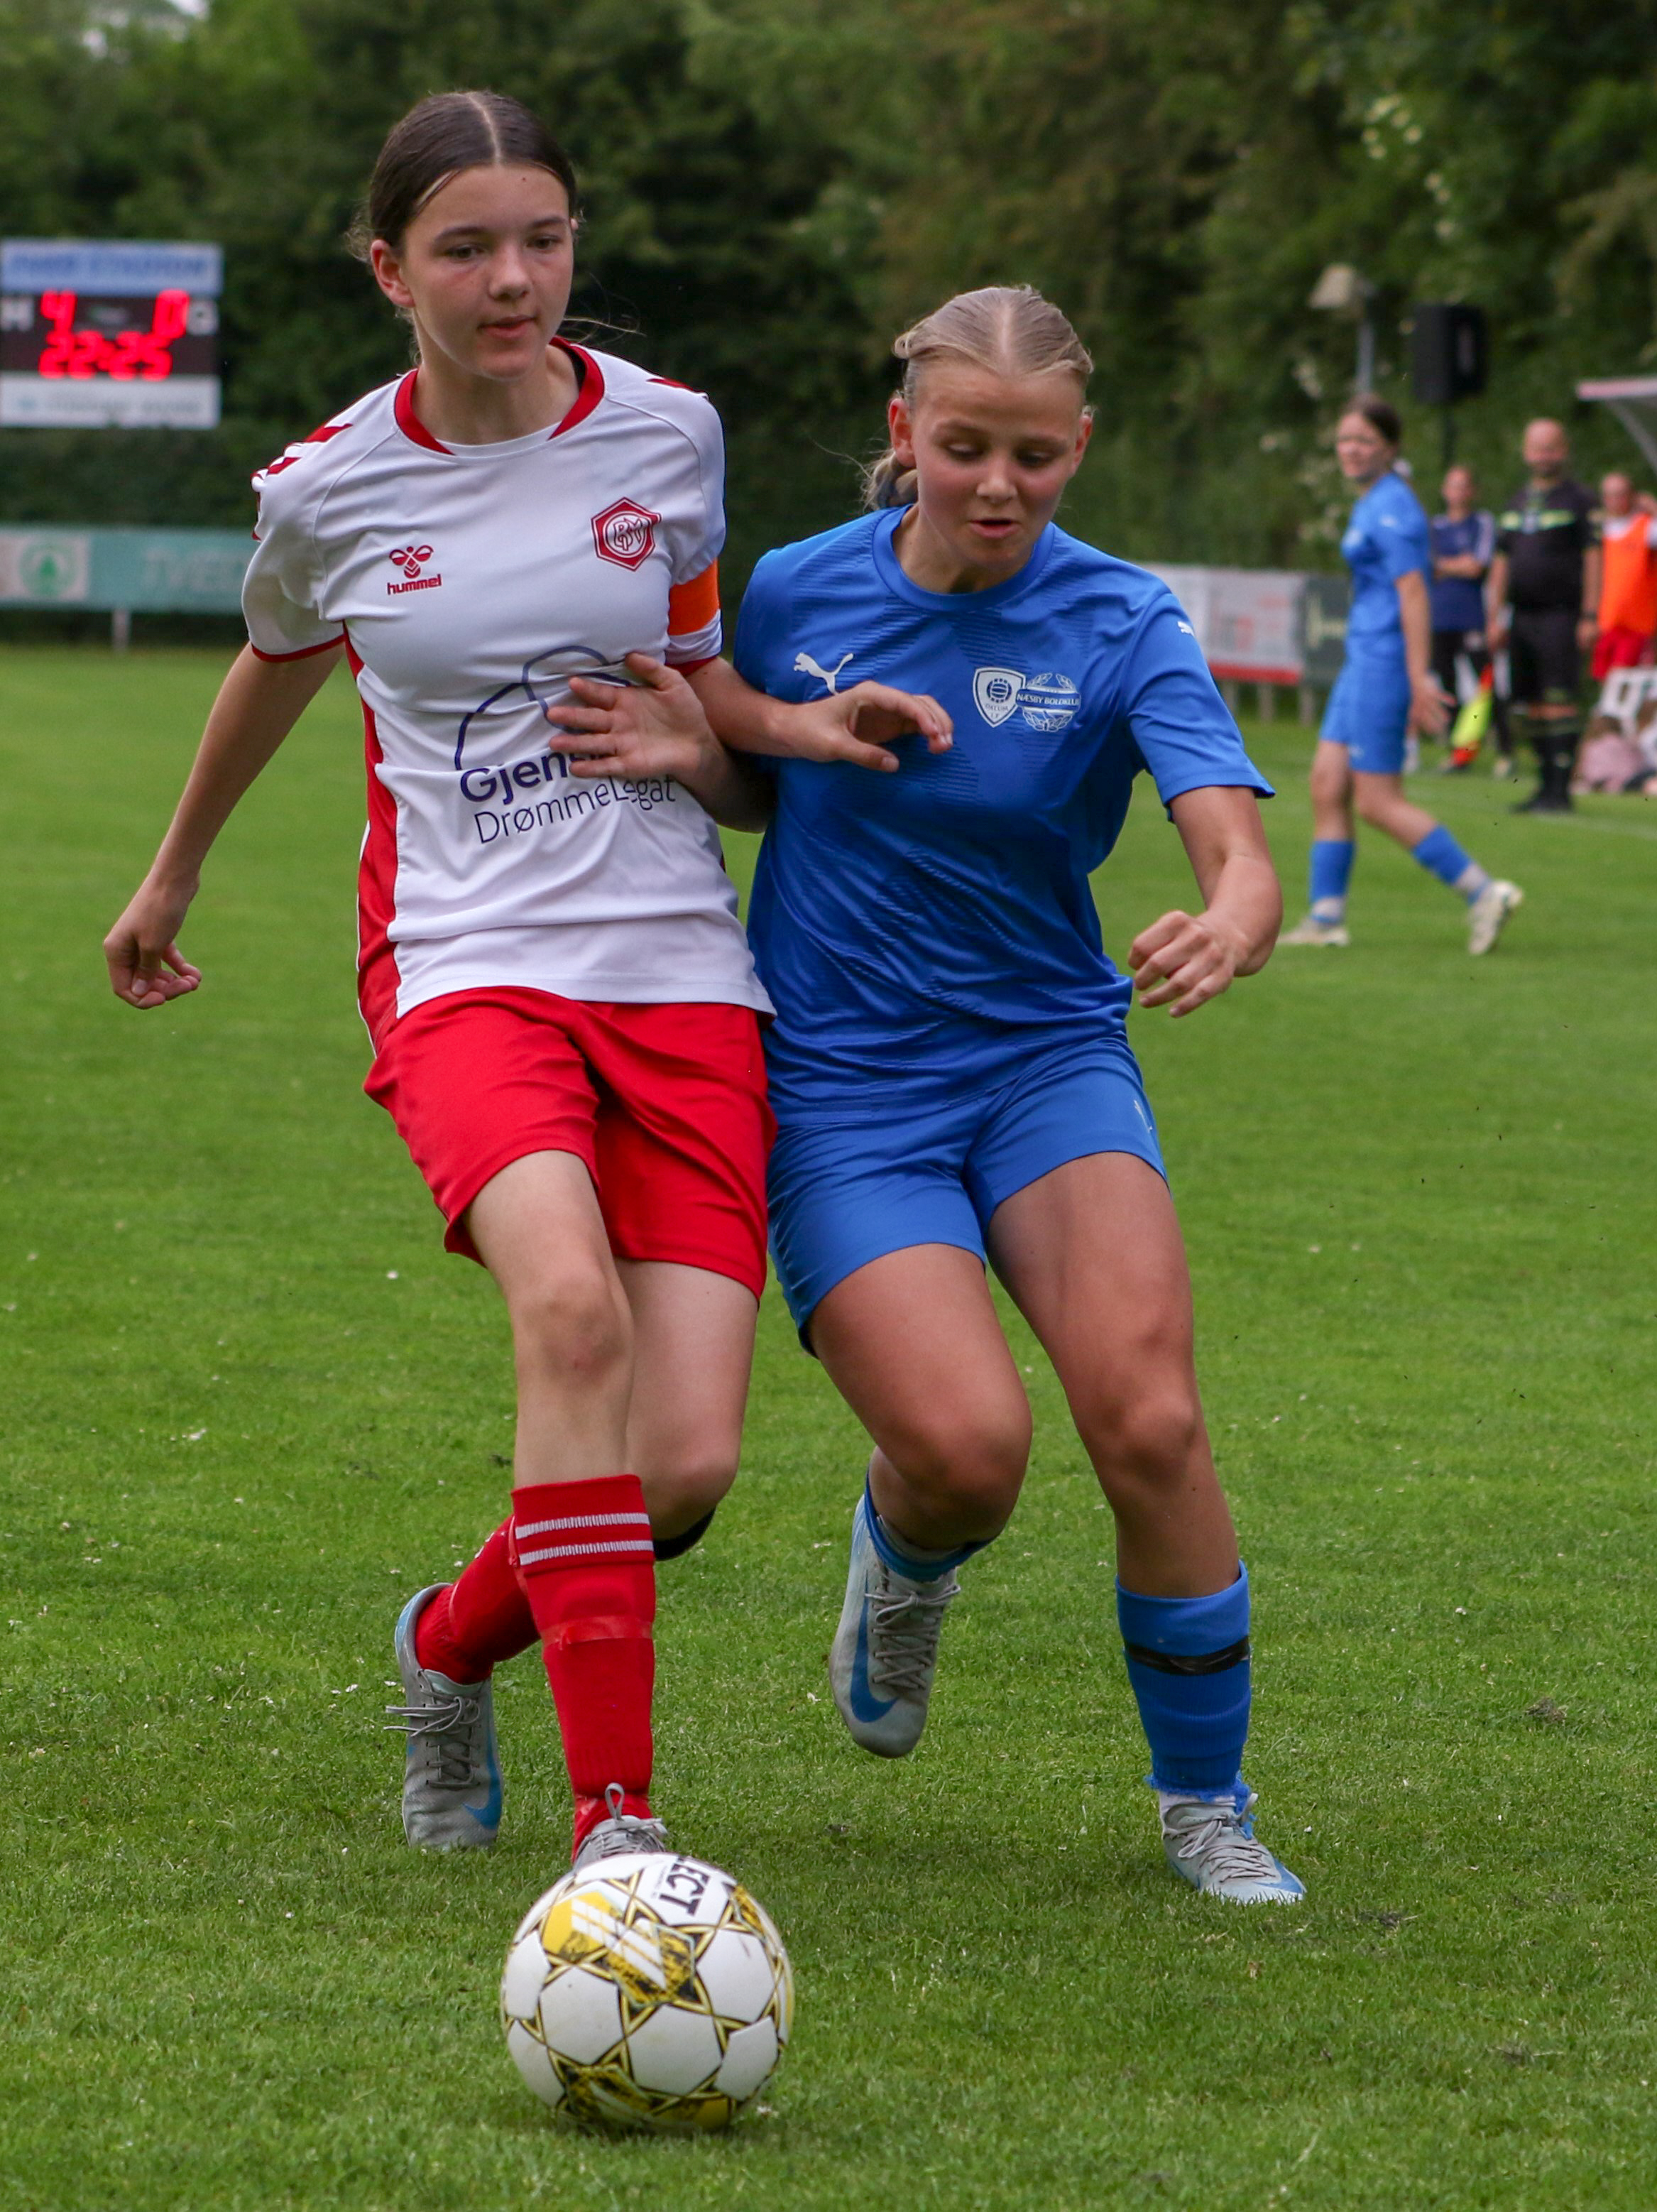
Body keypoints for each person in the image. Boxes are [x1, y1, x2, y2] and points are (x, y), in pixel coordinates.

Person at [101, 89, 942, 1870]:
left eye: (542, 240)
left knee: (682, 1469)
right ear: (388, 267)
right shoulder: (326, 486)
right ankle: (615, 1826)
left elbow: (696, 674)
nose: (512, 281)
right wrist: (173, 870)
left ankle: (448, 1640)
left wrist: (798, 729)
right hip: (465, 964)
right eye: (467, 248)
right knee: (570, 1315)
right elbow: (273, 662)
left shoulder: (667, 433)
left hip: (679, 973)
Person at [559, 285, 1307, 1903]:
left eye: (1037, 455)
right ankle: (906, 1558)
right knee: (969, 1450)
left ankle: (1208, 1807)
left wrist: (1233, 922)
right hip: (842, 1085)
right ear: (905, 434)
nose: (999, 485)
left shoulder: (1125, 621)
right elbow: (769, 778)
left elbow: (1239, 854)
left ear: (1079, 448)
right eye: (965, 447)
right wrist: (702, 756)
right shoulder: (795, 586)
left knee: (1151, 1418)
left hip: (1047, 1061)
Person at [1281, 398, 1523, 953]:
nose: (1352, 449)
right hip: (1362, 658)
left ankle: (1484, 892)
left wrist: (1417, 676)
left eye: (1365, 440)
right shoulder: (1373, 501)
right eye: (1345, 439)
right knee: (1327, 783)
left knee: (1377, 800)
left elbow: (1414, 592)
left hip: (1385, 661)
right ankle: (1325, 919)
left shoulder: (1395, 508)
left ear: (1389, 448)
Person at [1485, 419, 1599, 814]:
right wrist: (1494, 617)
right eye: (1537, 448)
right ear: (1525, 451)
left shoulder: (1579, 500)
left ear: (1563, 451)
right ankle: (1542, 786)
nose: (1543, 456)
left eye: (1551, 448)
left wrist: (1590, 614)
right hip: (1522, 617)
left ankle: (1560, 790)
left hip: (1561, 615)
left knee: (1559, 701)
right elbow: (1501, 563)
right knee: (1530, 703)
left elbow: (1594, 559)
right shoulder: (1516, 503)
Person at [1428, 462, 1509, 773]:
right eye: (1453, 485)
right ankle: (1459, 751)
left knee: (1485, 684)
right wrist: (1456, 564)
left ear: (1473, 491)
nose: (1458, 492)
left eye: (1464, 486)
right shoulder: (1435, 527)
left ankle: (1504, 748)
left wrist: (1447, 566)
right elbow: (1428, 566)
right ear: (1444, 491)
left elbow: (1477, 565)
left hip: (1472, 617)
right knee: (1446, 687)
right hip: (1441, 618)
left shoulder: (1481, 523)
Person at [1592, 470, 1657, 679]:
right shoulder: (1600, 531)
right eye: (1609, 495)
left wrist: (1655, 508)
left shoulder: (1646, 528)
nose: (1615, 501)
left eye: (1620, 494)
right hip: (1608, 623)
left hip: (1637, 626)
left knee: (1630, 683)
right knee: (1606, 680)